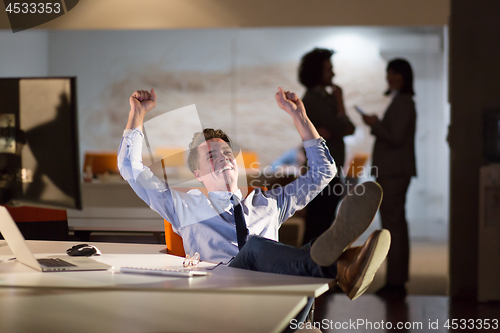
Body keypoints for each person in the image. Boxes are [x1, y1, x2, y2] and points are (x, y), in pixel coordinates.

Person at [118, 87, 390, 313]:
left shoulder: (268, 203)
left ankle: (341, 263)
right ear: (197, 173)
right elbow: (131, 169)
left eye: (227, 153)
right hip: (220, 302)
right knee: (255, 249)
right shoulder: (184, 207)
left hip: (280, 306)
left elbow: (324, 171)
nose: (224, 158)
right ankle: (341, 266)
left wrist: (300, 117)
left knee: (308, 249)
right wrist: (137, 114)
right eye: (213, 156)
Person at [362, 58, 417, 298]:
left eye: (394, 73)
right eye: (389, 73)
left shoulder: (403, 103)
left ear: (404, 77)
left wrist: (375, 125)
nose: (390, 77)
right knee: (394, 225)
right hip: (394, 172)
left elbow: (395, 137)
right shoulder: (401, 102)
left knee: (393, 227)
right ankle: (396, 280)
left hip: (394, 173)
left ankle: (396, 283)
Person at [298, 48, 355, 245]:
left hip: (332, 170)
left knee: (324, 226)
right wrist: (340, 105)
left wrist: (339, 109)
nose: (333, 73)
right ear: (317, 71)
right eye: (329, 69)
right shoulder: (312, 101)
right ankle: (308, 272)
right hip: (320, 173)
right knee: (317, 229)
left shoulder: (326, 98)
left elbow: (349, 128)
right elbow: (341, 126)